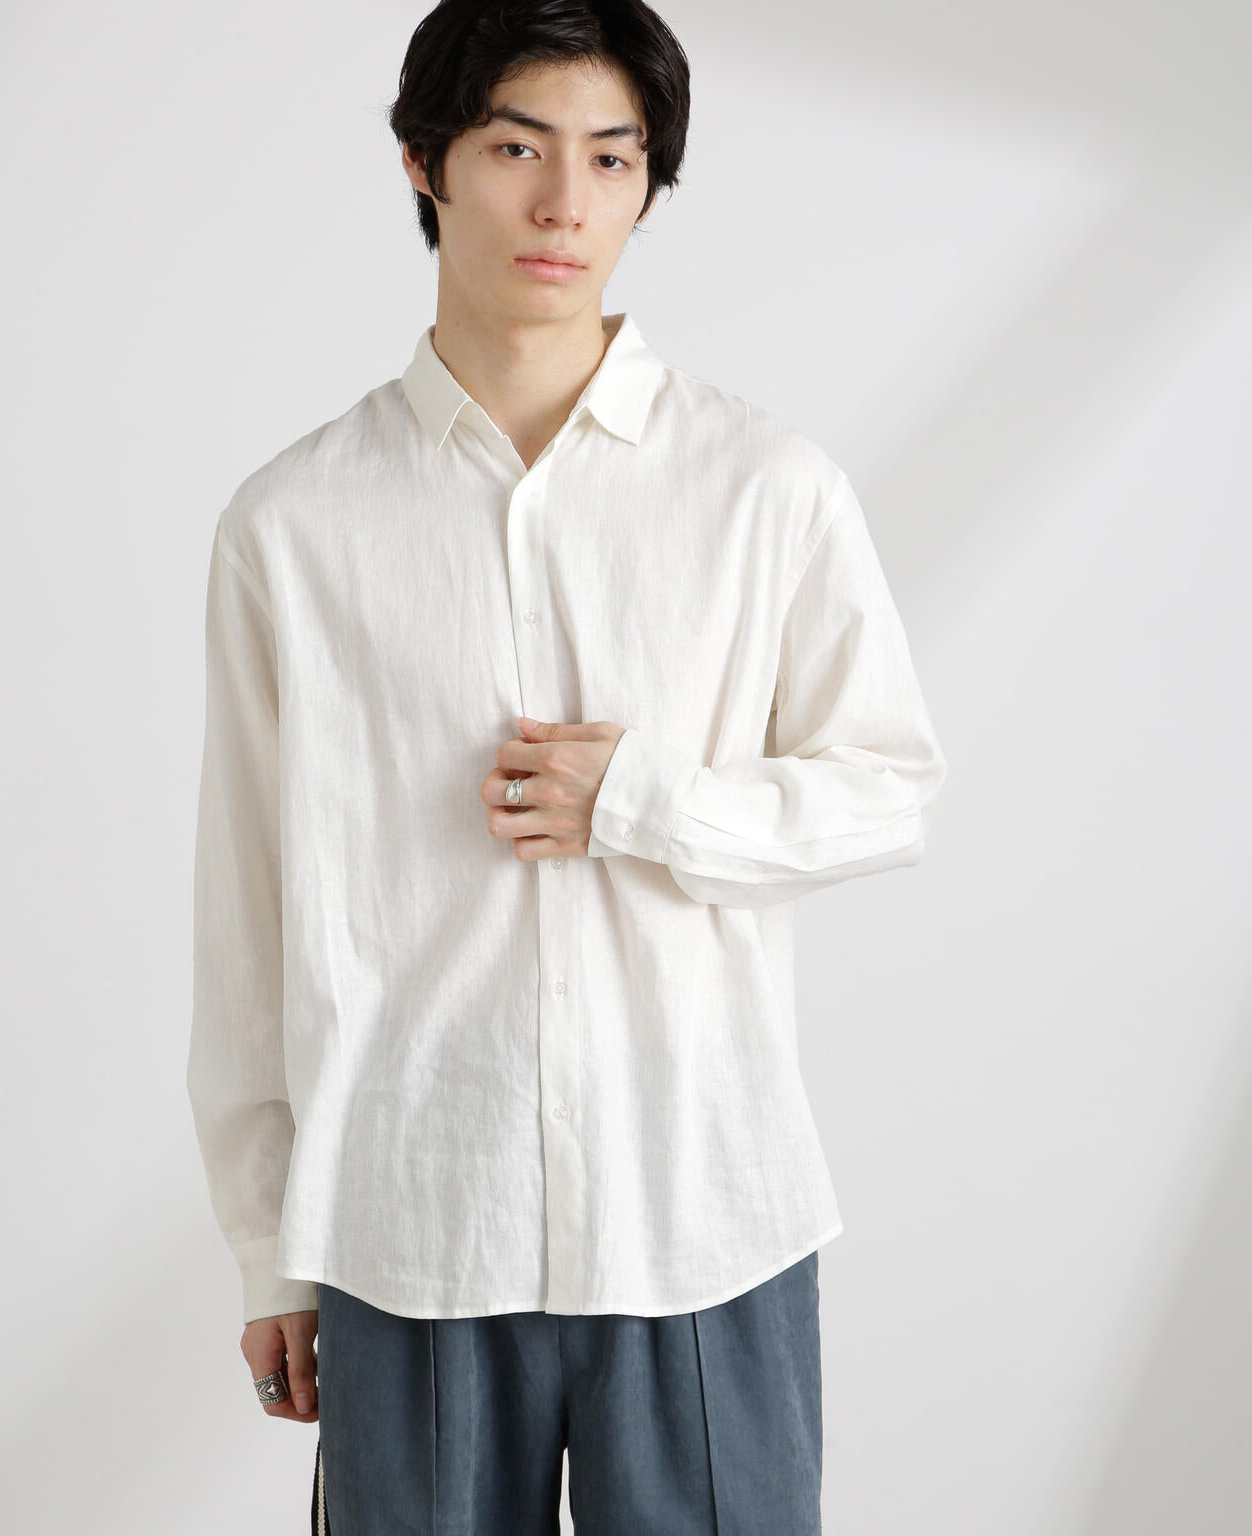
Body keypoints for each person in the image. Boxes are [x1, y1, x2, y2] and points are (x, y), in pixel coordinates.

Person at [186, 2, 948, 1531]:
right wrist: (271, 1245)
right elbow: (248, 912)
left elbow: (888, 784)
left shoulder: (765, 489)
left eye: (612, 158)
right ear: (425, 162)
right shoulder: (295, 523)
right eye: (517, 148)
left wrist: (649, 802)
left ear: (649, 184)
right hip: (411, 1224)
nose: (564, 204)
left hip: (701, 1216)